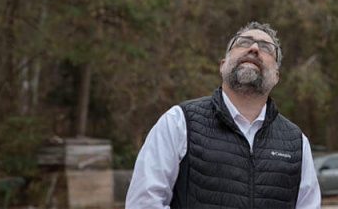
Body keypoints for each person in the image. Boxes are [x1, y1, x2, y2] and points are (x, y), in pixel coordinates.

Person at [126, 21, 321, 209]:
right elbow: (143, 202)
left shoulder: (296, 142)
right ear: (222, 65)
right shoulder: (179, 122)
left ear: (277, 77)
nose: (253, 48)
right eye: (243, 42)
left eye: (266, 47)